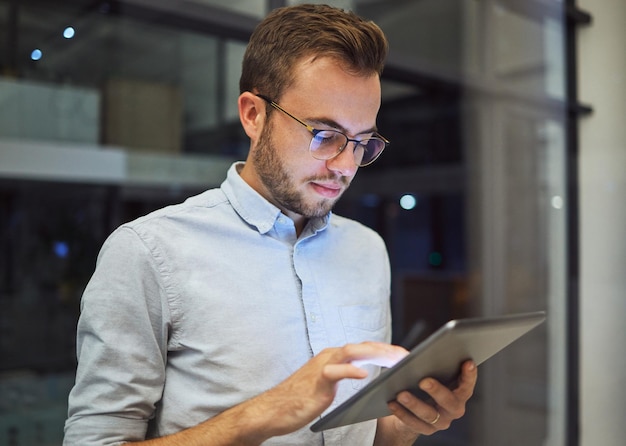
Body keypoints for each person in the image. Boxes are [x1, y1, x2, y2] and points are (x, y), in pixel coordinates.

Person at [63, 4, 477, 445]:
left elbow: (369, 436)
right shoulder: (147, 252)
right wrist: (261, 415)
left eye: (361, 143)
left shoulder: (368, 250)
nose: (344, 166)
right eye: (324, 135)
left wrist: (409, 422)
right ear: (253, 115)